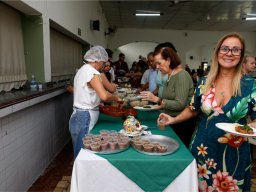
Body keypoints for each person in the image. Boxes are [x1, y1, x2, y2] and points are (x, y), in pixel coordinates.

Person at [157, 33, 256, 191]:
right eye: (225, 49)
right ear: (217, 52)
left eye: (236, 50)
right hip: (202, 151)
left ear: (241, 55)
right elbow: (193, 109)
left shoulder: (251, 86)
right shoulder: (204, 82)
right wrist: (173, 119)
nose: (229, 53)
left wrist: (248, 128)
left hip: (233, 155)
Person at [69, 46, 121, 158]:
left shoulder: (82, 70)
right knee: (83, 153)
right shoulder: (92, 73)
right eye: (103, 62)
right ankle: (81, 175)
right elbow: (104, 96)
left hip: (78, 114)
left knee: (79, 150)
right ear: (97, 60)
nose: (103, 66)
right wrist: (116, 98)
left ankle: (80, 174)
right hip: (84, 116)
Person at [140, 46, 195, 147]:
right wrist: (160, 106)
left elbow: (180, 104)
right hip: (170, 120)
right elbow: (170, 98)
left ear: (169, 60)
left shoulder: (182, 75)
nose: (157, 67)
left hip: (181, 124)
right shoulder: (170, 75)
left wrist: (157, 100)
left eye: (159, 63)